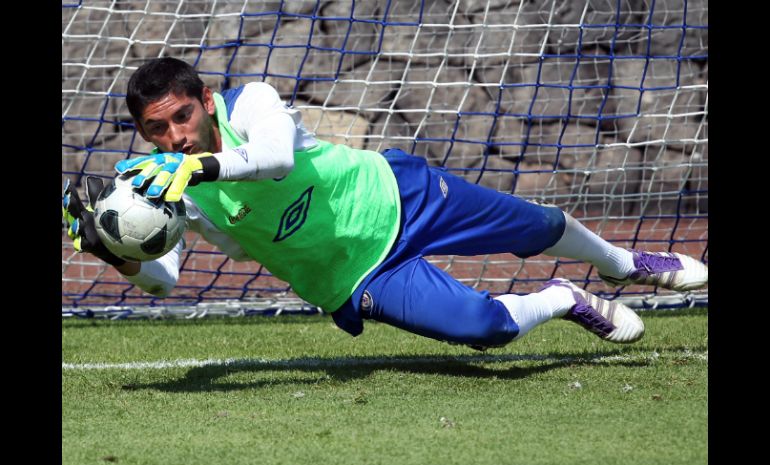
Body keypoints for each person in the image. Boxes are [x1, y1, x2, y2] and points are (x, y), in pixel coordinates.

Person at [62, 57, 708, 350]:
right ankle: (569, 297)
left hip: (397, 193)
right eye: (157, 130)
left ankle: (623, 262)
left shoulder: (249, 101)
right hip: (357, 274)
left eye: (181, 117)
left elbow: (277, 158)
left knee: (538, 223)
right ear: (142, 134)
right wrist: (114, 255)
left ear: (204, 101)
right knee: (486, 332)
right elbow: (163, 280)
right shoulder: (161, 193)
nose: (174, 136)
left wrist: (197, 164)